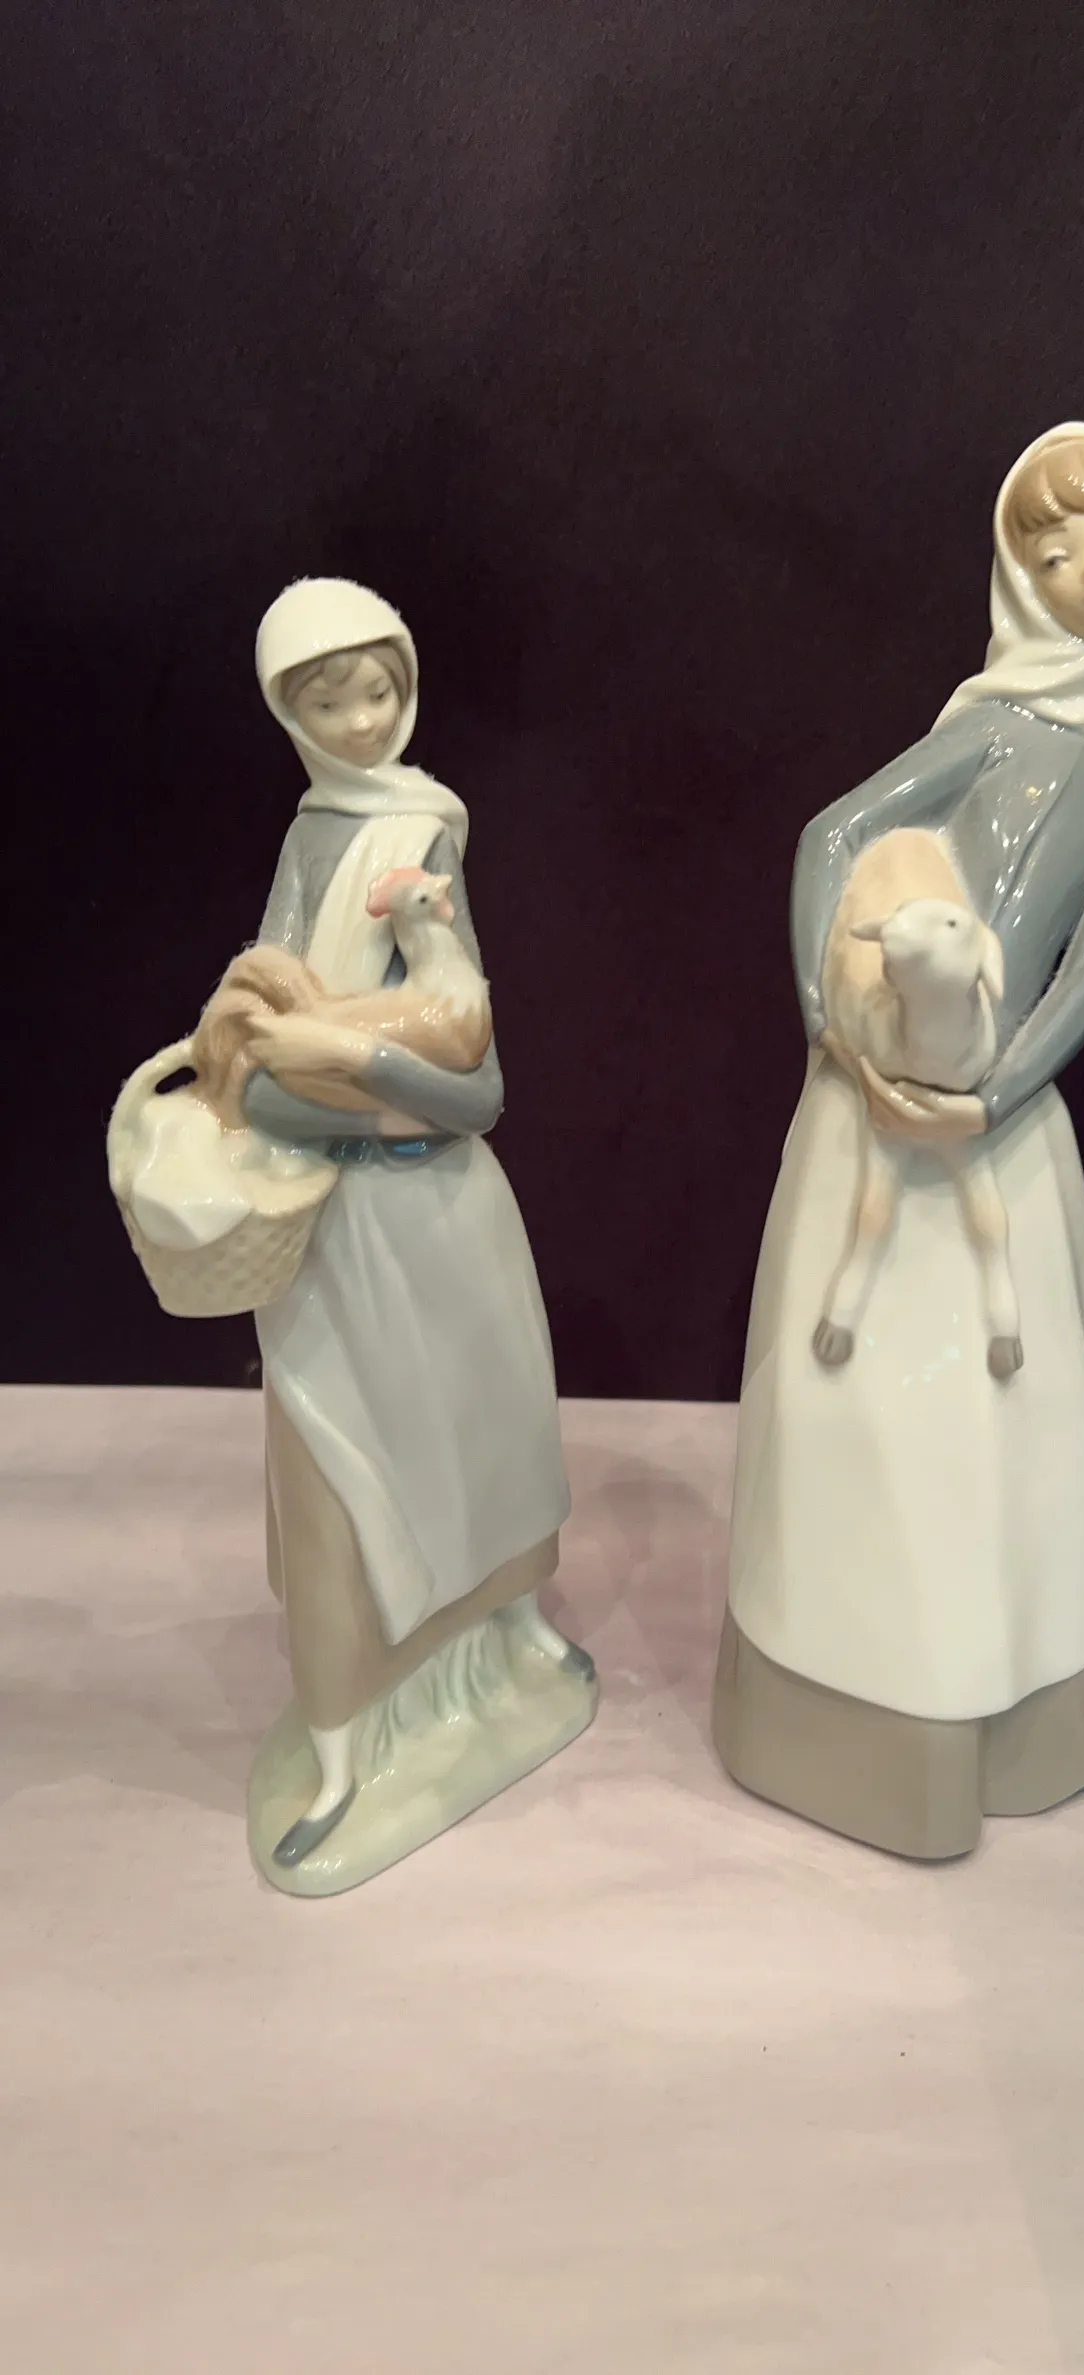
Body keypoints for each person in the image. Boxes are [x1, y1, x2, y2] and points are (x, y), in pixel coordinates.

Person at [714, 423, 1084, 1861]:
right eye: (1058, 550)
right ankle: (856, 1735)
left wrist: (998, 1095)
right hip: (874, 1112)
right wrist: (833, 1030)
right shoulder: (992, 725)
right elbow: (830, 837)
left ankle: (1022, 1726)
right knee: (861, 1414)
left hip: (998, 1131)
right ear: (1019, 574)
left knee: (1008, 1421)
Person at [245, 578, 589, 1876]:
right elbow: (256, 1058)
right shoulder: (312, 842)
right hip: (337, 1239)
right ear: (290, 715)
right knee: (341, 1481)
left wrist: (355, 1071)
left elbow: (477, 1089)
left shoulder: (427, 832)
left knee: (488, 1428)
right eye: (330, 701)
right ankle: (343, 1742)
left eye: (380, 690)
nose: (363, 722)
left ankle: (513, 1631)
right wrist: (355, 1085)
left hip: (444, 1221)